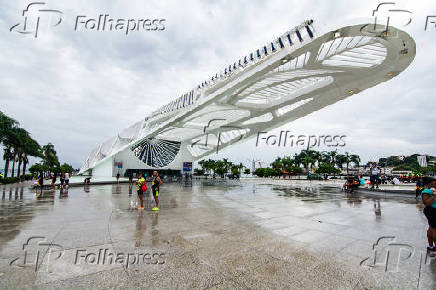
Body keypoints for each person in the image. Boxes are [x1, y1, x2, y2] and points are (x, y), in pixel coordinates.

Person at [420, 177, 436, 254]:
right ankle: (433, 248)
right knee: (434, 230)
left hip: (432, 211)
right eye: (434, 183)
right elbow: (426, 202)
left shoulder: (432, 190)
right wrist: (433, 195)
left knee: (431, 229)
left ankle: (431, 247)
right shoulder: (427, 191)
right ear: (430, 183)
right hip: (432, 211)